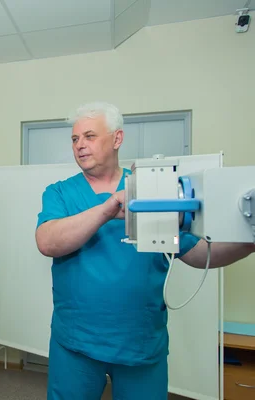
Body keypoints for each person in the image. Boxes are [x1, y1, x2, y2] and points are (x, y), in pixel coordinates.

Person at [35, 101, 255, 400]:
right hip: (76, 342)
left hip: (140, 342)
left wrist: (250, 241)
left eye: (89, 136)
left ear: (117, 139)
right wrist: (108, 208)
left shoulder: (153, 188)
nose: (80, 146)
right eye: (75, 139)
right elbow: (47, 242)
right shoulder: (60, 192)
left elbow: (200, 254)